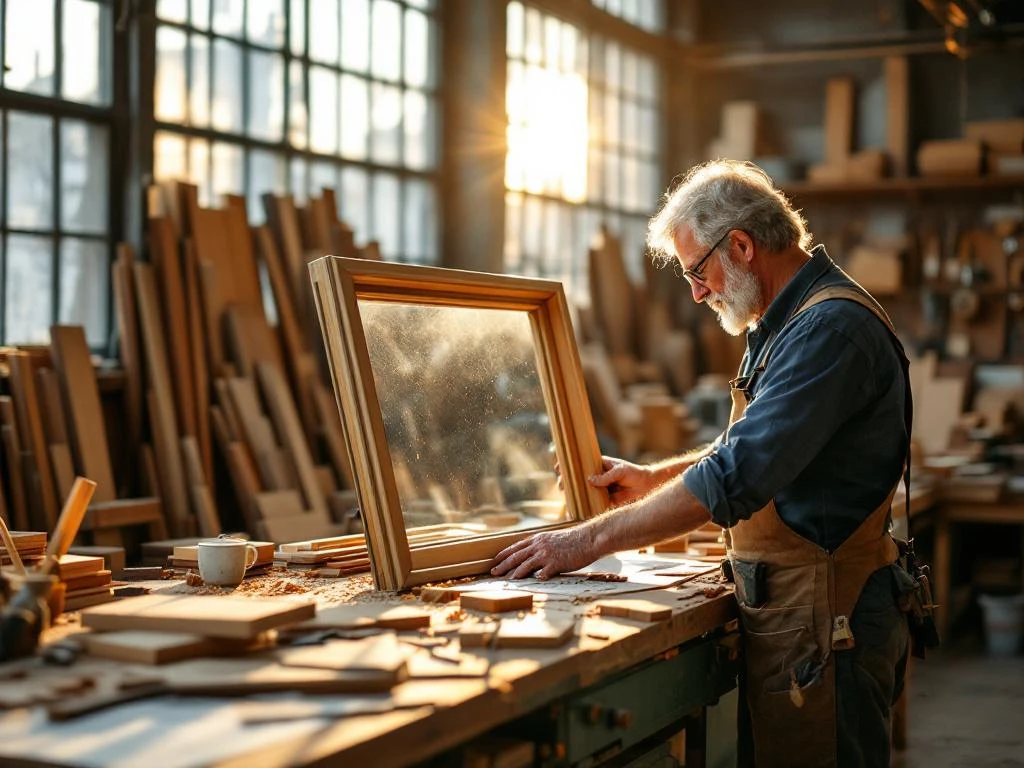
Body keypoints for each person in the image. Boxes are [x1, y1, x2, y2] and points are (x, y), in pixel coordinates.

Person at [491, 159, 912, 768]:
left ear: (741, 245)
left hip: (829, 617)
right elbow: (747, 446)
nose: (696, 291)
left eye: (697, 270)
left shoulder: (828, 330)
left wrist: (582, 542)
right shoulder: (786, 322)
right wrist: (650, 480)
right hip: (798, 610)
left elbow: (736, 476)